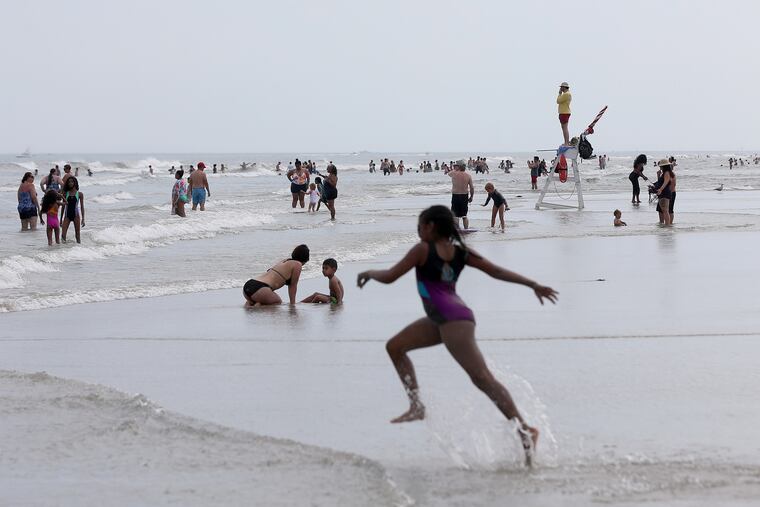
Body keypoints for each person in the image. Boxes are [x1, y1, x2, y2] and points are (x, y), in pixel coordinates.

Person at [356, 206, 558, 467]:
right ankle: (417, 406)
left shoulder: (422, 249)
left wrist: (370, 273)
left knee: (482, 378)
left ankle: (524, 430)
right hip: (442, 319)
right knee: (395, 347)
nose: (418, 231)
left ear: (430, 226)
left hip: (453, 321)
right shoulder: (460, 251)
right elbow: (496, 271)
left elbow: (390, 276)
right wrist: (533, 285)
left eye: (419, 226)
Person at [243, 245, 310, 306]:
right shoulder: (298, 264)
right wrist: (292, 304)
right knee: (277, 302)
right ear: (305, 259)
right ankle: (258, 305)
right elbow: (293, 286)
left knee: (257, 302)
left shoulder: (285, 261)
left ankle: (252, 303)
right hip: (260, 288)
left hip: (248, 286)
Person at [448, 159, 474, 229]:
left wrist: (455, 169)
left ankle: (457, 229)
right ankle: (466, 229)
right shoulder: (468, 176)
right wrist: (471, 197)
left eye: (456, 166)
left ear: (458, 166)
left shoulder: (454, 173)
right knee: (464, 215)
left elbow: (448, 173)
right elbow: (471, 188)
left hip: (455, 196)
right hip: (464, 196)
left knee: (456, 215)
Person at [61, 176, 85, 243]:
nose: (70, 183)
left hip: (76, 216)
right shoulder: (65, 194)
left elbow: (82, 207)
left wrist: (83, 219)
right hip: (67, 216)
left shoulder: (79, 194)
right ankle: (63, 248)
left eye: (72, 182)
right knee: (63, 235)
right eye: (69, 182)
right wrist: (61, 219)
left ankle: (79, 248)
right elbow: (63, 206)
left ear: (75, 183)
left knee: (77, 235)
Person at [655, 159, 674, 225]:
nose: (660, 167)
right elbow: (660, 183)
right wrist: (658, 176)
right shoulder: (665, 173)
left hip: (664, 193)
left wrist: (660, 189)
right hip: (664, 193)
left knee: (665, 210)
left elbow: (666, 182)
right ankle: (666, 225)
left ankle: (667, 225)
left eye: (661, 166)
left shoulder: (666, 173)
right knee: (664, 210)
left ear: (663, 166)